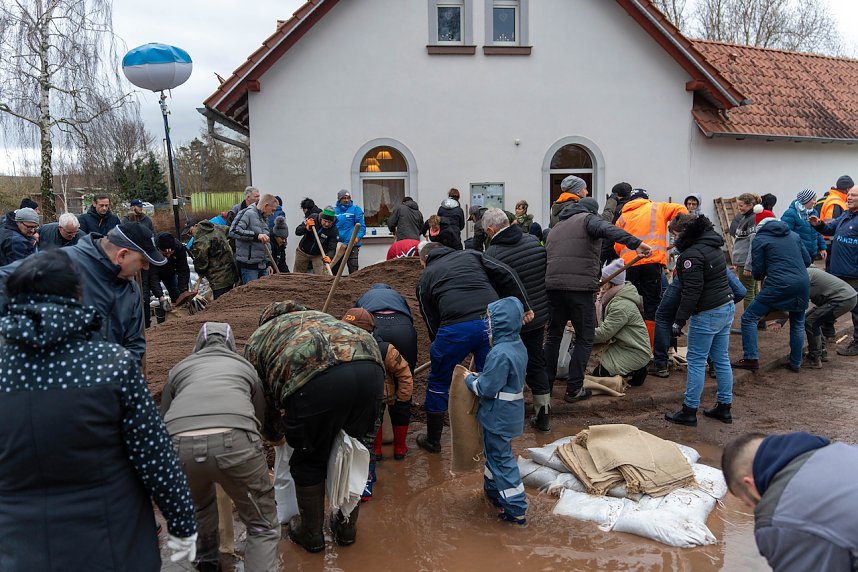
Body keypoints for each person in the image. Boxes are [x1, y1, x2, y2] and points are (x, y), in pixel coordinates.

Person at [0, 251, 197, 570]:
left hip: (18, 549)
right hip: (112, 543)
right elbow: (154, 455)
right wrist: (182, 522)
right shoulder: (111, 365)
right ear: (77, 294)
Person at [244, 301, 384, 552]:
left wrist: (276, 435)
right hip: (370, 368)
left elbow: (262, 398)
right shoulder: (322, 316)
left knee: (309, 458)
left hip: (315, 382)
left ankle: (311, 533)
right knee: (354, 450)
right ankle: (346, 529)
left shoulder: (259, 337)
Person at [161, 322, 279, 572]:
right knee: (262, 525)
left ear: (198, 343)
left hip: (179, 446)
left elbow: (164, 416)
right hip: (236, 442)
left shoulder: (179, 369)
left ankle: (206, 563)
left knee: (198, 509)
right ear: (231, 343)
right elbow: (258, 417)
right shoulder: (244, 367)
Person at [415, 241, 532, 453]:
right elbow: (506, 273)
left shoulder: (425, 276)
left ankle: (433, 440)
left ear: (424, 260)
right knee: (491, 376)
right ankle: (488, 436)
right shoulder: (471, 255)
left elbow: (429, 315)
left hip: (454, 328)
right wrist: (524, 306)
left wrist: (439, 345)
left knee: (438, 381)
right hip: (490, 323)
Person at [0, 222, 165, 364]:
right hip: (52, 383)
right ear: (122, 255)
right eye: (143, 261)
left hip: (105, 386)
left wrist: (120, 376)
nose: (146, 268)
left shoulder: (131, 290)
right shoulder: (57, 265)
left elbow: (134, 344)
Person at [544, 197, 652, 403]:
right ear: (592, 212)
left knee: (553, 337)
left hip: (553, 288)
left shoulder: (556, 227)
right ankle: (574, 389)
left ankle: (545, 388)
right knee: (584, 338)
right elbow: (608, 229)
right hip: (579, 289)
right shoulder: (587, 219)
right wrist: (636, 243)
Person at [721, 431, 858, 571]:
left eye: (748, 503)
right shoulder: (844, 452)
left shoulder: (779, 519)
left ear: (749, 483)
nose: (754, 507)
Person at [662, 214, 736, 426]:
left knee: (695, 361)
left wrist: (679, 320)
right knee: (721, 358)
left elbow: (692, 291)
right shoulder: (713, 245)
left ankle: (689, 410)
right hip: (726, 306)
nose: (674, 239)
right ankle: (724, 407)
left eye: (676, 235)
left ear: (685, 232)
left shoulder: (691, 255)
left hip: (708, 312)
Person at [483, 208, 552, 431]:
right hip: (538, 315)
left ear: (491, 229)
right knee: (535, 361)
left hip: (511, 320)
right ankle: (543, 414)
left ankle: (508, 413)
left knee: (508, 364)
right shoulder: (533, 242)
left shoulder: (492, 254)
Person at [464, 297, 528, 525]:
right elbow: (502, 379)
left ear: (501, 323)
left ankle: (516, 509)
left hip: (497, 417)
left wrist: (470, 380)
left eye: (491, 320)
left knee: (501, 459)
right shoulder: (517, 345)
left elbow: (486, 388)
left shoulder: (499, 353)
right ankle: (493, 492)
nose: (488, 325)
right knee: (494, 455)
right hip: (510, 415)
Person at [341, 308, 413, 498]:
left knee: (368, 440)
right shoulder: (338, 345)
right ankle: (357, 477)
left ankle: (365, 482)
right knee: (352, 439)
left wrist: (402, 397)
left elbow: (404, 372)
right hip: (349, 399)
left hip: (375, 400)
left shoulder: (384, 349)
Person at [733, 206, 811, 372]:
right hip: (802, 283)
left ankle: (751, 358)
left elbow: (758, 272)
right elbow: (807, 260)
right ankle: (795, 362)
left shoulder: (760, 239)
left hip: (777, 284)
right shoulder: (794, 235)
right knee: (797, 322)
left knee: (748, 318)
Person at [614, 189, 688, 346]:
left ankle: (632, 343)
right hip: (651, 262)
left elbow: (617, 245)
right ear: (646, 198)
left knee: (631, 302)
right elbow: (682, 210)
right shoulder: (657, 207)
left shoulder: (623, 216)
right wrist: (677, 229)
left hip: (630, 265)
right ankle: (650, 346)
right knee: (652, 305)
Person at [771, 267, 857, 368]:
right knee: (811, 319)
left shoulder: (803, 277)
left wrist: (780, 321)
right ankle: (821, 352)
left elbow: (795, 303)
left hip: (842, 300)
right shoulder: (803, 273)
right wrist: (780, 321)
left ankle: (814, 358)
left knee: (810, 322)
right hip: (842, 298)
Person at [809, 184, 858, 356]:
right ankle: (828, 330)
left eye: (854, 195)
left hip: (854, 273)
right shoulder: (846, 215)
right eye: (849, 194)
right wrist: (819, 224)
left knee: (856, 310)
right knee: (828, 301)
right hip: (838, 271)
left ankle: (857, 343)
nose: (849, 198)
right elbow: (830, 228)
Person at [592, 259, 651, 385]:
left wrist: (579, 333)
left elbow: (604, 333)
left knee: (597, 373)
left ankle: (637, 369)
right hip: (623, 345)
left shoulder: (621, 305)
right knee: (589, 363)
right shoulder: (613, 298)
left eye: (603, 280)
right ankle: (632, 369)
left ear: (611, 284)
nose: (600, 284)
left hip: (635, 351)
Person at [356, 282, 418, 372]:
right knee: (407, 364)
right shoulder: (397, 295)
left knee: (373, 364)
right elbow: (409, 315)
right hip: (402, 326)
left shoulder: (365, 295)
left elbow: (356, 317)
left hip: (376, 323)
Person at [229, 193, 278, 284]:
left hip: (263, 265)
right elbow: (234, 231)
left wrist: (268, 263)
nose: (273, 213)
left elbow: (266, 242)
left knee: (263, 291)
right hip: (249, 267)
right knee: (250, 292)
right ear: (266, 206)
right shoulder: (247, 213)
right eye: (272, 210)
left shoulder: (264, 217)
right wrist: (256, 235)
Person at [189, 219, 239, 300]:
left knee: (221, 302)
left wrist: (199, 271)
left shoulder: (200, 241)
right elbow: (230, 231)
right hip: (231, 269)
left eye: (190, 231)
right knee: (231, 298)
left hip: (218, 278)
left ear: (196, 226)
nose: (191, 235)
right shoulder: (216, 227)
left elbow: (201, 264)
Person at [730, 193, 762, 317]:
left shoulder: (752, 219)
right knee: (753, 290)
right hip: (742, 262)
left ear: (750, 205)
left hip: (746, 262)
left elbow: (753, 244)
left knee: (747, 292)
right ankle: (758, 318)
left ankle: (749, 320)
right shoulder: (745, 218)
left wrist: (748, 265)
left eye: (741, 206)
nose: (739, 208)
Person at [781, 189, 826, 261]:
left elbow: (818, 232)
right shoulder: (791, 213)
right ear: (806, 200)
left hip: (811, 253)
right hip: (798, 254)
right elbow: (786, 233)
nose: (815, 202)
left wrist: (822, 248)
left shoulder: (814, 212)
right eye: (813, 199)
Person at [294, 206, 339, 273]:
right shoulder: (312, 218)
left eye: (329, 222)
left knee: (320, 275)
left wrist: (329, 256)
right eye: (325, 221)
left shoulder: (333, 231)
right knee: (298, 274)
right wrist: (306, 228)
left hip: (318, 255)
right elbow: (297, 231)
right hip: (303, 252)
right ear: (321, 218)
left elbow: (332, 247)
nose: (326, 224)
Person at [332, 189, 366, 274]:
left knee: (353, 269)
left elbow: (361, 228)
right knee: (334, 269)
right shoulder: (334, 211)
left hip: (352, 244)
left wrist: (356, 239)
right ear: (339, 199)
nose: (346, 200)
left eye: (348, 198)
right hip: (338, 245)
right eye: (344, 198)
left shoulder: (355, 210)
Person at [600, 182, 634, 262]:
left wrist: (602, 257)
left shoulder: (617, 210)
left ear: (616, 195)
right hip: (634, 251)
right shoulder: (635, 207)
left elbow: (609, 232)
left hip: (616, 253)